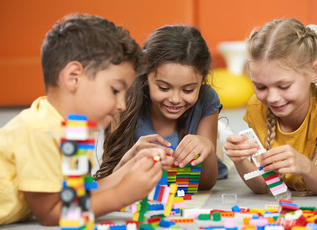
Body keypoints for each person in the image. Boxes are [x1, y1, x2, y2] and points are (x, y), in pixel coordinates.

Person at [0, 13, 172, 228]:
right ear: (73, 77)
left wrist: (129, 170)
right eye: (115, 90)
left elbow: (81, 193)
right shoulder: (41, 130)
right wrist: (122, 195)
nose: (122, 105)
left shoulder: (71, 128)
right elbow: (50, 212)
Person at [224, 18, 317, 196]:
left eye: (284, 86)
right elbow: (263, 187)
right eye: (260, 87)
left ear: (314, 72)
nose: (273, 98)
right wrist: (240, 160)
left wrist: (304, 166)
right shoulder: (256, 106)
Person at [95, 25, 228, 190]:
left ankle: (218, 138)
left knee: (216, 145)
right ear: (146, 77)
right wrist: (130, 158)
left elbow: (206, 182)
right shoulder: (124, 102)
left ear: (202, 81)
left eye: (188, 90)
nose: (175, 99)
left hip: (197, 163)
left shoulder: (206, 98)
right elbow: (110, 180)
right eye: (164, 88)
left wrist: (207, 145)